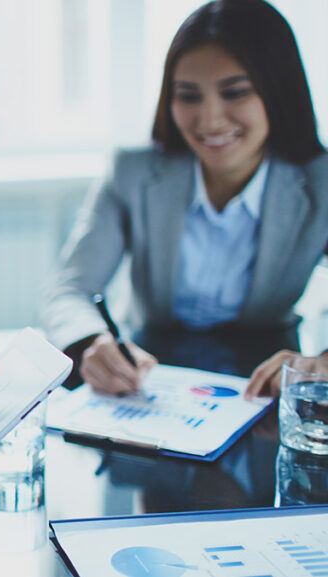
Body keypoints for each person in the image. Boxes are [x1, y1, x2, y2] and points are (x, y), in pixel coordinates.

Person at [40, 0, 328, 398]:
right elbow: (68, 289)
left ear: (278, 92)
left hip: (264, 389)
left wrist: (322, 361)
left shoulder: (320, 184)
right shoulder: (133, 172)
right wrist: (91, 342)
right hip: (146, 384)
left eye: (235, 92)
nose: (209, 120)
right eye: (188, 96)